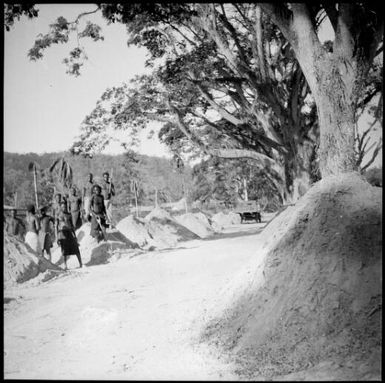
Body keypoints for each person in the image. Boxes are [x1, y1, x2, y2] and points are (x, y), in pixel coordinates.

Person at [56, 201, 83, 270]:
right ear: (60, 207)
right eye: (62, 207)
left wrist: (75, 236)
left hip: (70, 232)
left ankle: (81, 263)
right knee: (64, 250)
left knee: (76, 248)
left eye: (65, 206)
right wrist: (57, 237)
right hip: (62, 233)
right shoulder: (58, 215)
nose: (64, 208)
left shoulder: (69, 214)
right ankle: (65, 265)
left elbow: (72, 226)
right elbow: (56, 227)